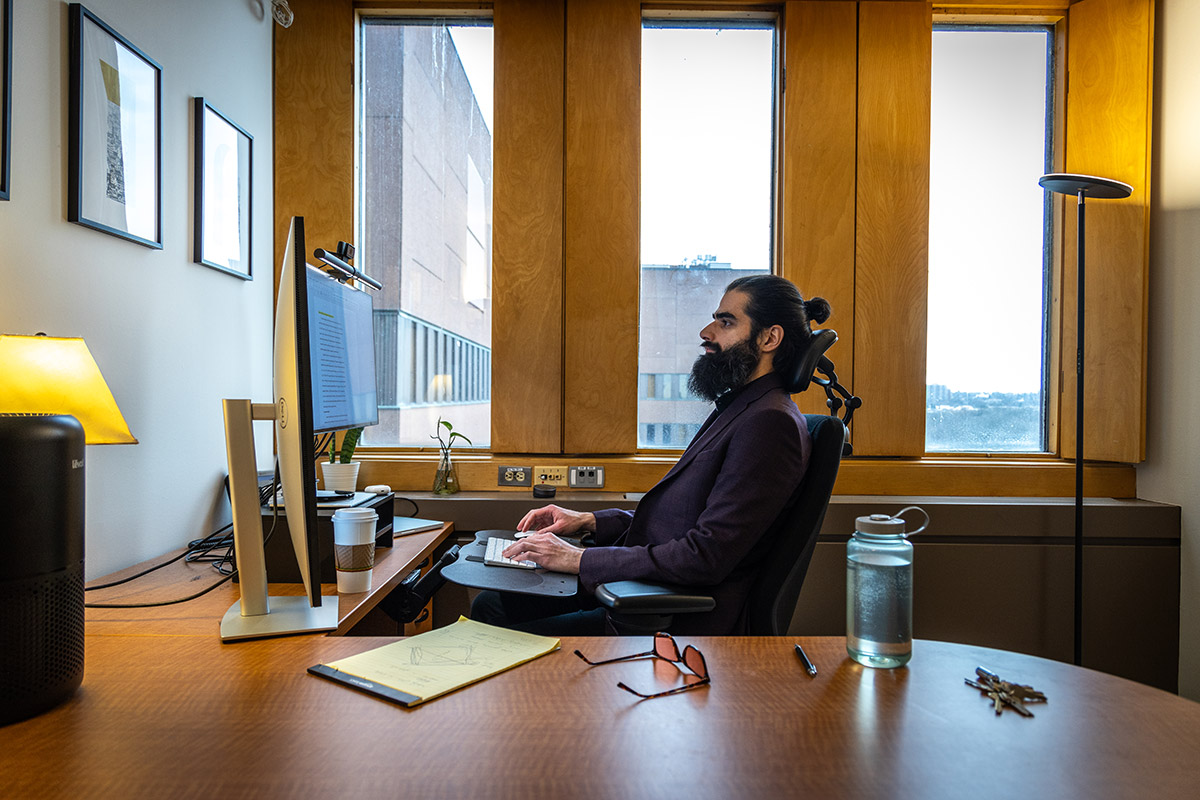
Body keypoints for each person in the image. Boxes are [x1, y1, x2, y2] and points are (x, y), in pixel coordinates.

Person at [471, 275, 832, 635]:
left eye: (726, 322)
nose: (707, 332)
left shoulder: (770, 424)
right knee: (493, 603)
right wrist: (588, 521)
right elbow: (678, 520)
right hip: (646, 592)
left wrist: (579, 559)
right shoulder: (742, 408)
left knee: (494, 617)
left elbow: (705, 555)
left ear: (769, 338)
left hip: (676, 617)